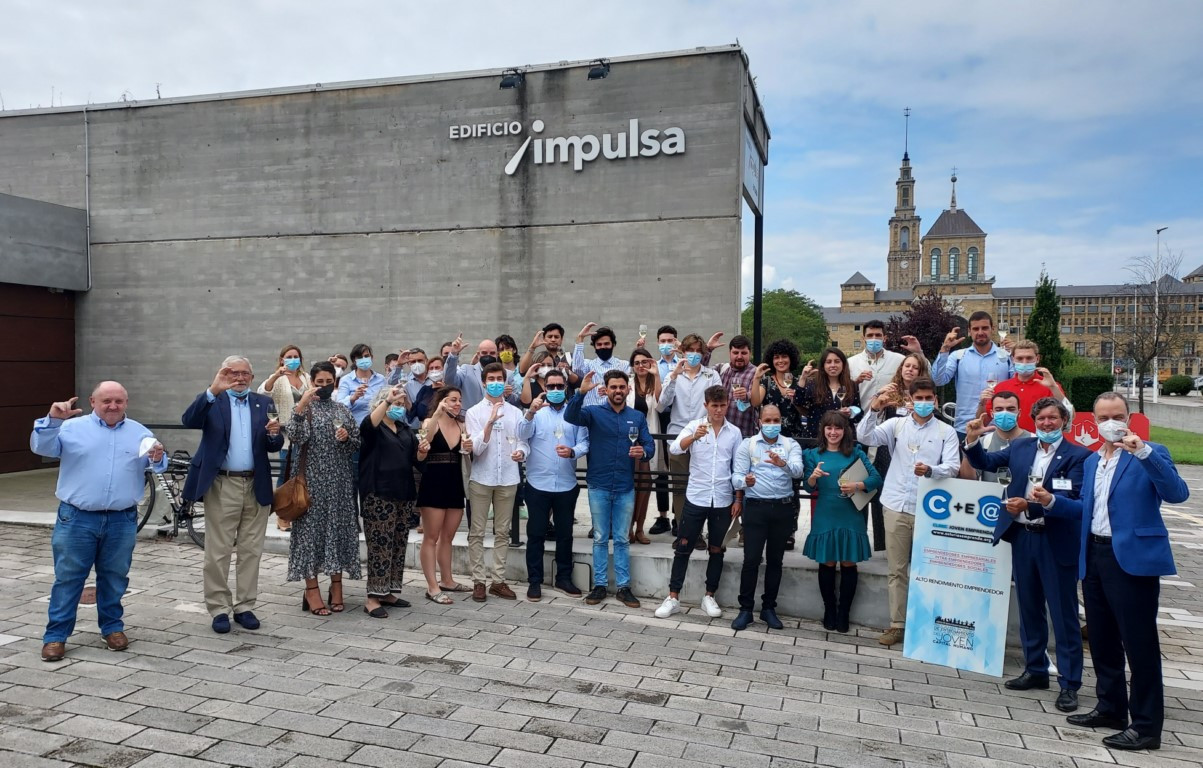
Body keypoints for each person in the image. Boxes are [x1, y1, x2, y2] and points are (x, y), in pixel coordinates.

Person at [1050, 393, 1189, 751]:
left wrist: (1142, 452)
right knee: (1102, 638)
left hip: (1132, 559)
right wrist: (1052, 502)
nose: (1111, 422)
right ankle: (1111, 707)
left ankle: (1145, 726)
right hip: (1094, 554)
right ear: (1093, 421)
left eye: (1118, 415)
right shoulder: (1095, 461)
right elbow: (1087, 508)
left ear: (1129, 417)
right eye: (1103, 417)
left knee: (1138, 644)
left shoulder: (1150, 452)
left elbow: (1177, 493)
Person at [965, 397, 1089, 711]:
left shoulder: (1079, 456)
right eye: (1042, 418)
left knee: (1063, 615)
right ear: (1034, 420)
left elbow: (1075, 501)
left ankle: (1070, 683)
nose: (1047, 423)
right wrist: (972, 439)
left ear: (1063, 420)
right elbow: (986, 463)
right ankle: (1035, 670)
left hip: (1055, 540)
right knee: (1029, 608)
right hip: (1023, 537)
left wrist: (1032, 505)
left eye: (1053, 418)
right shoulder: (1021, 447)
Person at [32, 383, 167, 662]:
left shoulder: (140, 432)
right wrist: (54, 419)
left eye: (119, 401)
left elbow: (157, 464)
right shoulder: (71, 427)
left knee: (115, 577)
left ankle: (112, 628)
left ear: (126, 402)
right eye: (106, 400)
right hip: (77, 518)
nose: (113, 406)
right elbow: (41, 447)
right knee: (69, 578)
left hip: (122, 518)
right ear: (93, 401)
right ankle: (56, 636)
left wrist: (159, 457)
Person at [182, 356, 284, 634]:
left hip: (256, 483)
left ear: (252, 377)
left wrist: (275, 434)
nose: (239, 378)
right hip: (221, 484)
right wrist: (213, 390)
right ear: (223, 374)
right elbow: (189, 420)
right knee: (218, 550)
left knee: (252, 550)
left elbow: (274, 444)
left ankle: (245, 606)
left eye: (244, 374)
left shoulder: (263, 403)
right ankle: (218, 608)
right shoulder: (214, 401)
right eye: (232, 373)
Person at [856, 378, 960, 647]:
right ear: (910, 400)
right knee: (897, 570)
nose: (924, 403)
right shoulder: (897, 425)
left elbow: (952, 467)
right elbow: (864, 436)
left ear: (935, 401)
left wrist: (931, 471)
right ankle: (897, 624)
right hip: (895, 504)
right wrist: (875, 408)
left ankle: (927, 624)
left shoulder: (946, 432)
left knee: (929, 569)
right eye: (920, 399)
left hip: (930, 508)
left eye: (929, 398)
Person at [565, 369, 654, 608]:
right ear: (606, 389)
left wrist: (643, 452)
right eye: (613, 387)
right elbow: (570, 417)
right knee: (601, 538)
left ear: (628, 389)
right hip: (599, 484)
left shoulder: (636, 417)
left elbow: (650, 445)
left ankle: (624, 587)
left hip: (625, 485)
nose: (618, 391)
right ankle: (600, 585)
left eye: (621, 387)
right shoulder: (593, 413)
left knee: (623, 539)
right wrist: (580, 393)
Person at [654, 385, 741, 619]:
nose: (719, 410)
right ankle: (673, 597)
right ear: (706, 405)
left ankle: (709, 596)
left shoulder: (734, 432)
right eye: (714, 406)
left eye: (723, 405)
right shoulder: (694, 426)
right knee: (683, 547)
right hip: (696, 496)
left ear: (727, 404)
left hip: (722, 498)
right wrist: (693, 437)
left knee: (717, 549)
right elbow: (674, 448)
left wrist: (738, 498)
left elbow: (738, 467)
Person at [284, 362, 361, 616]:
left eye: (329, 382)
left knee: (337, 533)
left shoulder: (342, 409)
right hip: (311, 484)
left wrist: (347, 438)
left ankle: (337, 587)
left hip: (339, 483)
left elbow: (356, 443)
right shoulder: (305, 410)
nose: (325, 386)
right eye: (320, 382)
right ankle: (312, 590)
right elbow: (295, 437)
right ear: (312, 383)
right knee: (310, 537)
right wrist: (301, 404)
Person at [803, 411, 882, 633]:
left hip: (850, 514)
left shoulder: (855, 453)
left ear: (845, 430)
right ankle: (829, 610)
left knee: (848, 563)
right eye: (829, 428)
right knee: (827, 562)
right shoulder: (812, 454)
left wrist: (857, 486)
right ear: (823, 430)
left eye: (838, 428)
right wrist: (813, 477)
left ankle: (844, 612)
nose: (833, 432)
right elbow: (808, 487)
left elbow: (876, 478)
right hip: (826, 513)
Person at [730, 405, 804, 631]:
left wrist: (783, 463)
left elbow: (799, 471)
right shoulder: (748, 444)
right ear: (759, 422)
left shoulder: (791, 444)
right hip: (756, 508)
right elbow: (736, 477)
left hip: (782, 508)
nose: (772, 424)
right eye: (768, 420)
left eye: (776, 420)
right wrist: (745, 483)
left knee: (775, 561)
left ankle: (768, 608)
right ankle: (745, 610)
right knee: (751, 560)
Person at [518, 369, 588, 600]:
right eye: (551, 387)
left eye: (560, 386)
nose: (555, 390)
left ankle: (563, 578)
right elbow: (521, 434)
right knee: (536, 533)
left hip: (566, 484)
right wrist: (530, 412)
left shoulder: (575, 413)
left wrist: (572, 452)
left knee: (565, 534)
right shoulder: (537, 413)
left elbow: (584, 442)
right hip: (538, 483)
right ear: (545, 388)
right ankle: (534, 581)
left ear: (566, 387)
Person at [359, 386, 428, 617]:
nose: (398, 408)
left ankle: (388, 591)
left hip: (404, 493)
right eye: (394, 404)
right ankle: (372, 598)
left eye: (401, 404)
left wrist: (422, 453)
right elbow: (366, 426)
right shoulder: (375, 428)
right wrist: (387, 401)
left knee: (397, 545)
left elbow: (416, 462)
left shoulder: (405, 430)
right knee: (380, 546)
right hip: (378, 494)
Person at [464, 362, 528, 602]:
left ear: (505, 381)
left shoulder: (515, 412)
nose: (495, 382)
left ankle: (498, 580)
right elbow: (476, 449)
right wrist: (489, 422)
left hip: (509, 477)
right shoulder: (473, 412)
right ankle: (479, 581)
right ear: (483, 382)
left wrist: (521, 452)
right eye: (490, 379)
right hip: (481, 477)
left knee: (503, 531)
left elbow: (522, 441)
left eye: (499, 378)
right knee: (476, 532)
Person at [659, 334, 720, 547]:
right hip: (678, 437)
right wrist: (674, 377)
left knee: (702, 486)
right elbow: (662, 405)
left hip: (704, 437)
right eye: (689, 351)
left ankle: (699, 534)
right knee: (679, 487)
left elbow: (718, 403)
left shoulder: (711, 375)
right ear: (682, 352)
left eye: (697, 351)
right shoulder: (673, 375)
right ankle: (684, 532)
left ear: (703, 354)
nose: (693, 355)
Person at [416, 386, 471, 604]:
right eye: (452, 400)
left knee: (448, 536)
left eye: (459, 400)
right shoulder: (430, 422)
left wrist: (469, 446)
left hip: (455, 481)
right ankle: (432, 586)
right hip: (433, 481)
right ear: (441, 402)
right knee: (431, 536)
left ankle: (447, 579)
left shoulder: (462, 424)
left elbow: (469, 450)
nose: (457, 404)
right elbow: (424, 443)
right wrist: (437, 414)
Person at [932, 311, 1014, 436]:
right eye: (976, 329)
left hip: (998, 428)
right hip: (965, 427)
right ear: (969, 331)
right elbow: (938, 380)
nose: (980, 332)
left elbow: (1019, 384)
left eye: (985, 328)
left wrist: (1017, 356)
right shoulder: (959, 356)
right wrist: (945, 349)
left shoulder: (1006, 357)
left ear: (992, 329)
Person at [259, 344, 311, 530]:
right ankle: (282, 515)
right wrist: (276, 375)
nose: (293, 359)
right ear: (282, 359)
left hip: (305, 432)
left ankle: (298, 509)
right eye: (289, 356)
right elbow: (263, 392)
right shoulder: (279, 379)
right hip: (286, 434)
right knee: (285, 472)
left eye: (296, 356)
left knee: (303, 473)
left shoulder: (306, 378)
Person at [987, 340, 1070, 433]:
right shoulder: (1001, 387)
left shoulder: (1051, 386)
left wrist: (1054, 387)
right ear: (1013, 359)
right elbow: (987, 416)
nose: (1024, 362)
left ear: (1037, 358)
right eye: (1020, 358)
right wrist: (982, 403)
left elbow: (1068, 416)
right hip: (1009, 442)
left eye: (1029, 358)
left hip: (1040, 442)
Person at [647, 325, 682, 536]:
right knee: (661, 468)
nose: (667, 344)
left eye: (671, 340)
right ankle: (662, 517)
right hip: (659, 416)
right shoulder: (654, 365)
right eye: (663, 340)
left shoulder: (686, 362)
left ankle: (679, 515)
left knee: (678, 468)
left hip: (680, 416)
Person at [627, 348, 663, 544]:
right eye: (637, 362)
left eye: (644, 362)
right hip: (630, 440)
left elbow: (660, 404)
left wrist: (656, 376)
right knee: (630, 487)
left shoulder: (654, 382)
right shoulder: (628, 384)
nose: (641, 366)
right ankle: (628, 528)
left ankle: (640, 528)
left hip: (647, 440)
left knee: (645, 486)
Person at [846, 320, 923, 407]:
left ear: (884, 338)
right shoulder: (850, 363)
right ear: (863, 338)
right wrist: (856, 382)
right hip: (861, 416)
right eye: (870, 335)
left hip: (891, 415)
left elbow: (923, 373)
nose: (874, 339)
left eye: (878, 335)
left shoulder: (899, 360)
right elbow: (843, 391)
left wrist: (919, 352)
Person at [796, 347, 861, 440]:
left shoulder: (852, 385)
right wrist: (803, 378)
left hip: (843, 439)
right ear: (823, 365)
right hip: (817, 437)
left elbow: (859, 414)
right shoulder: (813, 384)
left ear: (843, 364)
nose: (833, 365)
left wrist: (851, 412)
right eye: (829, 362)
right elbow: (798, 402)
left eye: (837, 361)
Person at [965, 390, 1029, 482]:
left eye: (1010, 409)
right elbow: (967, 478)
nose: (1004, 413)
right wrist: (970, 441)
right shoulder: (981, 442)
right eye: (999, 409)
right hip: (989, 496)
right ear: (992, 413)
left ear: (1019, 412)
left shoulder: (1033, 440)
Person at [719, 335, 759, 438]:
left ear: (750, 353)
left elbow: (756, 397)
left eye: (744, 353)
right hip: (722, 435)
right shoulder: (722, 369)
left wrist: (746, 395)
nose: (739, 356)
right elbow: (701, 369)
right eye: (736, 352)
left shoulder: (756, 372)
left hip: (745, 435)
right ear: (729, 353)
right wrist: (708, 349)